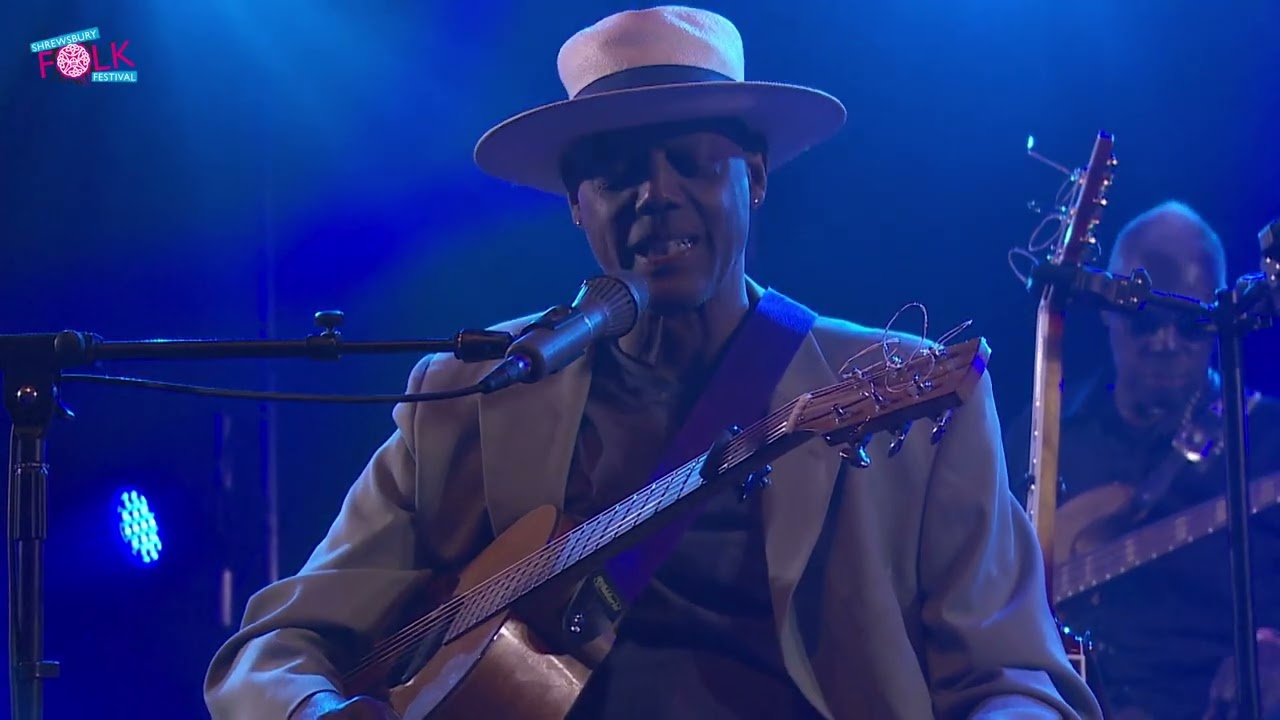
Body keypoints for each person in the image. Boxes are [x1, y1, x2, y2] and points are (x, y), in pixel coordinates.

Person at [205, 7, 1101, 719]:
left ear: (753, 175)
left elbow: (1021, 681)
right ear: (575, 205)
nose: (655, 195)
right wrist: (316, 714)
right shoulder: (472, 392)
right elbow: (273, 650)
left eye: (691, 161)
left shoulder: (903, 392)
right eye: (617, 170)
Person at [1003, 200, 1280, 719]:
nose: (1166, 342)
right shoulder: (1046, 435)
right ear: (1109, 309)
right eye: (1146, 321)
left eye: (1191, 325)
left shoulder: (1266, 440)